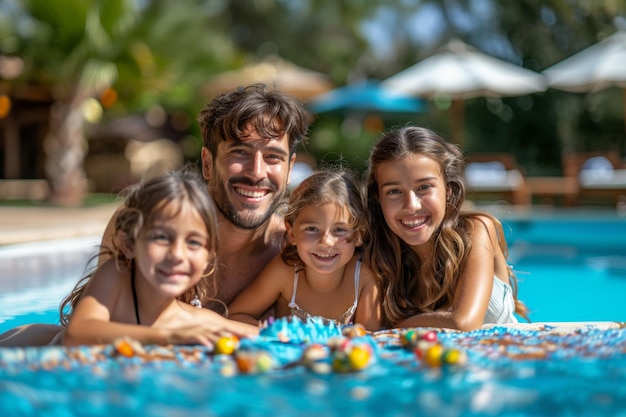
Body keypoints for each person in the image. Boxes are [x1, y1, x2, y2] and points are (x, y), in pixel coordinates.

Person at [0, 83, 311, 346]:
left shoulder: (301, 249)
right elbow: (87, 328)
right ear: (207, 163)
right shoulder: (143, 224)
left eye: (273, 157)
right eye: (240, 153)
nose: (257, 172)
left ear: (289, 168)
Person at [364, 126, 529, 331]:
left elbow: (463, 322)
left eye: (424, 187)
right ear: (378, 198)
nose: (412, 205)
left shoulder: (476, 231)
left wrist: (396, 325)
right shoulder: (378, 255)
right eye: (394, 191)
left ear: (448, 190)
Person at [228, 170, 381, 331]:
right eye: (312, 229)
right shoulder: (285, 272)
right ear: (292, 232)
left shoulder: (364, 277)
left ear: (358, 234)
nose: (326, 241)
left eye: (340, 230)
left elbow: (370, 340)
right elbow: (235, 316)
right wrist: (273, 333)